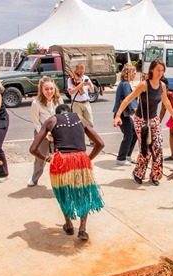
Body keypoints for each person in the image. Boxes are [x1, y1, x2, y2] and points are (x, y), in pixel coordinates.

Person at [29, 104, 104, 241]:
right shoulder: (79, 118)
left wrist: (46, 158)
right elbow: (100, 143)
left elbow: (33, 149)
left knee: (64, 193)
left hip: (61, 161)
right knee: (84, 192)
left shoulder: (51, 120)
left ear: (57, 113)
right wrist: (87, 159)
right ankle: (82, 229)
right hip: (80, 159)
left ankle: (69, 225)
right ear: (70, 112)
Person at [113, 59, 173, 186]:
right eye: (158, 70)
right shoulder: (144, 85)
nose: (160, 73)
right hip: (141, 121)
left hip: (154, 120)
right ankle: (138, 173)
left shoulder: (162, 85)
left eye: (162, 70)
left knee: (158, 147)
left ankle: (155, 175)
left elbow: (166, 102)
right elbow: (127, 99)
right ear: (151, 70)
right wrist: (117, 116)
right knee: (146, 150)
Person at [27, 76, 63, 187]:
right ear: (42, 90)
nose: (49, 91)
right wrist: (46, 134)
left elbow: (62, 115)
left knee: (60, 156)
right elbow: (36, 122)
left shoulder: (58, 99)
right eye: (46, 89)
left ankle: (61, 179)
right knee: (40, 157)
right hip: (42, 132)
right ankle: (35, 177)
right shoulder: (36, 103)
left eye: (51, 89)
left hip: (57, 131)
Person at [112, 64, 138, 165]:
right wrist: (136, 109)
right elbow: (128, 98)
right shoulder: (125, 84)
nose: (135, 74)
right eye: (134, 72)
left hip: (124, 114)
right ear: (129, 73)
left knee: (134, 133)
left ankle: (127, 155)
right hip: (122, 115)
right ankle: (121, 158)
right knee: (129, 135)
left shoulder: (123, 83)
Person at [67, 63, 95, 146]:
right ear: (76, 70)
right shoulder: (71, 79)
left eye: (83, 71)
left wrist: (89, 84)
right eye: (80, 71)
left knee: (90, 122)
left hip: (86, 102)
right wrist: (80, 85)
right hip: (76, 103)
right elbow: (70, 92)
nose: (81, 73)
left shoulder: (86, 78)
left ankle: (92, 140)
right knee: (78, 124)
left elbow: (92, 91)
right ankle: (80, 141)